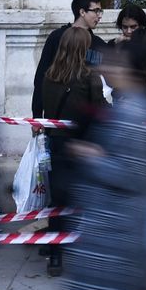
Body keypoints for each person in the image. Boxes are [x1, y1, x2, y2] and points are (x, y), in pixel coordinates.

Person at [63, 47, 146, 290]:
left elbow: (136, 176)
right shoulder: (127, 107)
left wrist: (93, 157)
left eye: (110, 64)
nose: (102, 70)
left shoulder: (135, 113)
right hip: (110, 245)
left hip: (119, 244)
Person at [37, 25, 106, 277]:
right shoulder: (89, 77)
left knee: (57, 202)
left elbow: (46, 108)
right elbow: (99, 110)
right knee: (85, 198)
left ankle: (55, 255)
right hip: (83, 144)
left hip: (55, 143)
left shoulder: (49, 75)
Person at [32, 0, 104, 120]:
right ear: (82, 12)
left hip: (87, 121)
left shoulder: (99, 44)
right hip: (58, 116)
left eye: (100, 11)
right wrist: (37, 116)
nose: (99, 16)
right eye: (96, 11)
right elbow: (41, 77)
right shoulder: (57, 37)